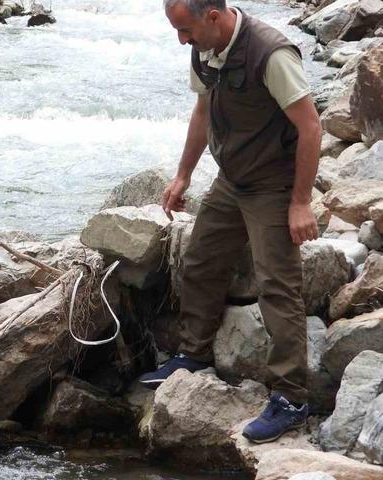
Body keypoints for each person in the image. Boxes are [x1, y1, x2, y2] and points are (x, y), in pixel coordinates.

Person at [139, 0, 322, 444]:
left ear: (214, 17)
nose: (182, 40)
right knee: (200, 260)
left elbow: (311, 127)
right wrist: (183, 174)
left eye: (185, 30)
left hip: (273, 184)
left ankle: (291, 397)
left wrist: (300, 202)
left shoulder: (271, 53)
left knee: (277, 284)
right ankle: (194, 355)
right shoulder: (203, 49)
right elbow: (202, 113)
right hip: (232, 179)